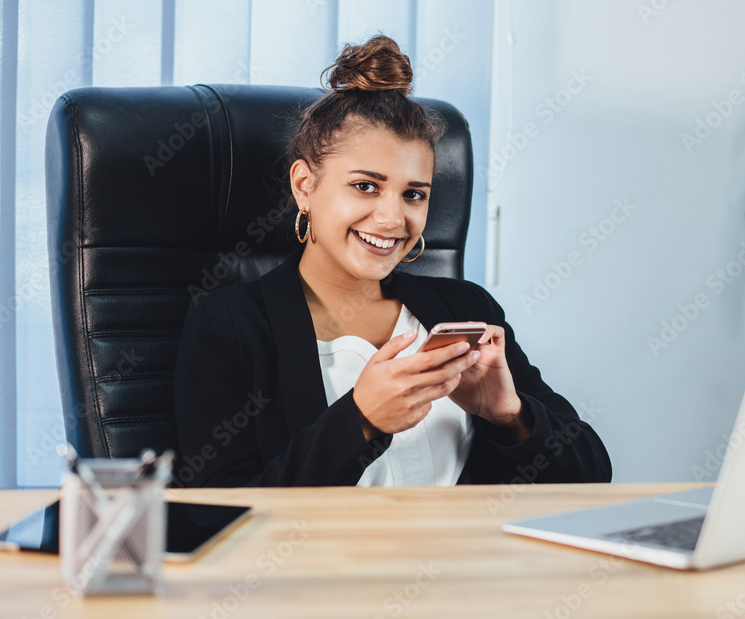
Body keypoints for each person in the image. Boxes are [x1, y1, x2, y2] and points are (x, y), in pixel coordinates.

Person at [173, 35, 611, 487]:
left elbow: (591, 475)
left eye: (413, 194)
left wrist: (510, 415)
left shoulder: (466, 311)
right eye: (365, 186)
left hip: (470, 557)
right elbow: (215, 521)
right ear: (305, 185)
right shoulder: (230, 326)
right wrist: (361, 422)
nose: (391, 218)